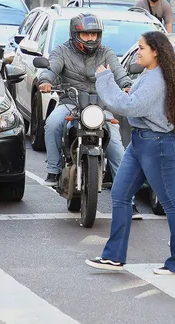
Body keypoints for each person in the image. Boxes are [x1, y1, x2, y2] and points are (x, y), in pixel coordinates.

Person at [86, 31, 175, 275]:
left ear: (156, 51)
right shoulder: (150, 74)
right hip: (140, 142)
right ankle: (113, 256)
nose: (138, 52)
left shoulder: (158, 79)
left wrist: (105, 80)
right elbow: (136, 102)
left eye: (142, 47)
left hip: (157, 145)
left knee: (171, 202)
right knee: (120, 195)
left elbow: (129, 106)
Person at [38, 13, 139, 217]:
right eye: (86, 34)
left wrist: (127, 85)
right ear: (75, 34)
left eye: (94, 34)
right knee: (53, 123)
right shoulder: (62, 51)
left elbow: (119, 72)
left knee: (118, 148)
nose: (91, 38)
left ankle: (129, 201)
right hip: (71, 102)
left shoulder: (106, 52)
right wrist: (45, 80)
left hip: (100, 107)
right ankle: (53, 169)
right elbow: (51, 67)